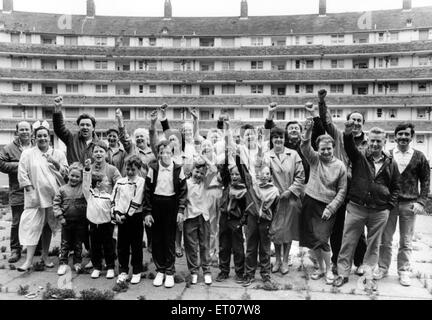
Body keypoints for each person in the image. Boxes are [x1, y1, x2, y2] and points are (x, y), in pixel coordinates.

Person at [333, 124, 400, 290]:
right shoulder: (359, 156)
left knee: (373, 245)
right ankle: (342, 273)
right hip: (356, 207)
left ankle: (369, 277)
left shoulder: (391, 162)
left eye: (379, 141)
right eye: (372, 141)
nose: (375, 144)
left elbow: (396, 186)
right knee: (348, 241)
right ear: (367, 141)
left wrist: (388, 206)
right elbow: (349, 145)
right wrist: (348, 133)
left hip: (379, 211)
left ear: (384, 142)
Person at [318, 89, 368, 275]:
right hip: (338, 189)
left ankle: (359, 262)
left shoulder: (368, 143)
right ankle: (336, 261)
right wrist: (322, 102)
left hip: (358, 190)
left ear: (363, 124)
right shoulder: (338, 135)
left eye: (359, 120)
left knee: (357, 227)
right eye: (352, 119)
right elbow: (326, 120)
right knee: (337, 228)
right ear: (347, 122)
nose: (355, 123)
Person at [375, 123, 430, 286]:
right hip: (389, 204)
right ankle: (383, 268)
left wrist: (421, 201)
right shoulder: (388, 155)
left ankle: (404, 271)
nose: (403, 137)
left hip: (410, 204)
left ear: (411, 136)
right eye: (400, 134)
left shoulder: (419, 156)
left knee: (406, 241)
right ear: (395, 137)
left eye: (407, 134)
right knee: (385, 239)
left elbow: (426, 181)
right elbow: (381, 178)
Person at [299, 118, 347, 284]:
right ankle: (320, 268)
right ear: (318, 150)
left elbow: (342, 191)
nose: (325, 152)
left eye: (328, 149)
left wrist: (331, 208)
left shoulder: (340, 166)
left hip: (327, 206)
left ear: (333, 148)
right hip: (310, 202)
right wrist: (307, 131)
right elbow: (304, 147)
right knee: (313, 241)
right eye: (322, 149)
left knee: (322, 240)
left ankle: (328, 270)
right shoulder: (315, 159)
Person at [17, 121, 68, 271]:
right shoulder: (27, 153)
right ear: (34, 137)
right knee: (32, 225)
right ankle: (28, 261)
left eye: (45, 135)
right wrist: (30, 189)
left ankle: (45, 256)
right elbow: (22, 173)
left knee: (47, 226)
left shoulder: (57, 153)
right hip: (35, 196)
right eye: (39, 136)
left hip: (53, 196)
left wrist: (55, 163)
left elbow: (66, 172)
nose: (42, 138)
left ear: (49, 137)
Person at [236, 135, 280, 287]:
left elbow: (276, 210)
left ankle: (266, 275)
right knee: (251, 248)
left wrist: (273, 225)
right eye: (263, 173)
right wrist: (237, 155)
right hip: (253, 221)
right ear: (258, 174)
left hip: (266, 222)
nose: (265, 175)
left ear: (270, 176)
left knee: (265, 250)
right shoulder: (252, 186)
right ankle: (249, 274)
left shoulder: (275, 191)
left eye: (268, 173)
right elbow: (243, 171)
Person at [143, 140, 187, 289]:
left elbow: (182, 191)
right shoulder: (153, 168)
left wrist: (181, 210)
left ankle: (169, 271)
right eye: (163, 152)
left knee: (169, 238)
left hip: (171, 204)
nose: (166, 155)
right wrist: (148, 212)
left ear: (172, 153)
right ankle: (160, 269)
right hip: (156, 204)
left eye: (168, 152)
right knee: (157, 239)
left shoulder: (178, 168)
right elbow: (147, 191)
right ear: (159, 154)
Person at [265, 127, 305, 275]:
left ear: (285, 139)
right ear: (271, 139)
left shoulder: (293, 154)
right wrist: (272, 192)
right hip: (273, 200)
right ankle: (277, 260)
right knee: (275, 230)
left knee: (288, 231)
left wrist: (290, 191)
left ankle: (286, 260)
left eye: (281, 137)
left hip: (290, 199)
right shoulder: (266, 155)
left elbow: (300, 177)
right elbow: (262, 176)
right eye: (275, 137)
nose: (278, 140)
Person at [216, 130, 247, 283]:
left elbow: (247, 208)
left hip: (235, 220)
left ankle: (240, 272)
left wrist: (241, 221)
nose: (234, 176)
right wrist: (229, 147)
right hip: (223, 218)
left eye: (237, 174)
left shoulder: (243, 188)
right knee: (223, 246)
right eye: (232, 174)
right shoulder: (227, 182)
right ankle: (223, 271)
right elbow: (225, 169)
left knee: (238, 247)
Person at [0, 121, 33, 263]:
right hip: (17, 190)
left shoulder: (37, 146)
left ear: (31, 131)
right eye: (22, 129)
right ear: (17, 131)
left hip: (34, 190)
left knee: (34, 220)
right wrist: (20, 165)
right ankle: (15, 249)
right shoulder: (8, 148)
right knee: (17, 221)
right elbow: (1, 163)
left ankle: (34, 247)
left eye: (27, 129)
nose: (25, 132)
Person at [111, 156, 146, 285]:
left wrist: (127, 214)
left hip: (134, 217)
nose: (130, 172)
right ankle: (123, 270)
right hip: (121, 218)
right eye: (128, 169)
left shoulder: (141, 181)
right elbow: (114, 198)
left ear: (138, 169)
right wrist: (116, 213)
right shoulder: (120, 182)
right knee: (122, 246)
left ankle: (137, 271)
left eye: (133, 169)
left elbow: (137, 199)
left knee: (136, 245)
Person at [183, 158, 218, 285]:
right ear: (192, 170)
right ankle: (193, 271)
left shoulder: (206, 183)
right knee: (191, 246)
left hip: (204, 217)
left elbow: (214, 170)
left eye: (202, 173)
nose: (199, 175)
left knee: (205, 245)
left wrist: (205, 161)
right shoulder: (186, 183)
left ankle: (207, 271)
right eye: (197, 171)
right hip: (190, 217)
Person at [82, 159, 116, 280]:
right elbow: (86, 184)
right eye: (106, 181)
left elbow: (113, 209)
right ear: (98, 184)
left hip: (106, 226)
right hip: (93, 226)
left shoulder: (109, 197)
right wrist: (87, 170)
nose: (107, 183)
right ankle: (97, 267)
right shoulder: (90, 195)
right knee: (95, 247)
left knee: (108, 247)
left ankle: (110, 267)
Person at [53, 162, 87, 275]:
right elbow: (56, 204)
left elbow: (89, 178)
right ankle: (63, 263)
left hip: (80, 221)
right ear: (68, 175)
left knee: (78, 244)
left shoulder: (83, 188)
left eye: (77, 176)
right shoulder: (62, 189)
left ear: (81, 178)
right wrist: (60, 216)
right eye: (72, 175)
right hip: (66, 221)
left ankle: (77, 262)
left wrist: (87, 168)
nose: (74, 178)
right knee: (65, 244)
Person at [53, 96, 99, 165]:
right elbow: (59, 129)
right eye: (82, 125)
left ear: (93, 128)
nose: (85, 127)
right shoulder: (71, 138)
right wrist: (58, 109)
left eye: (88, 125)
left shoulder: (99, 144)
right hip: (74, 175)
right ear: (79, 127)